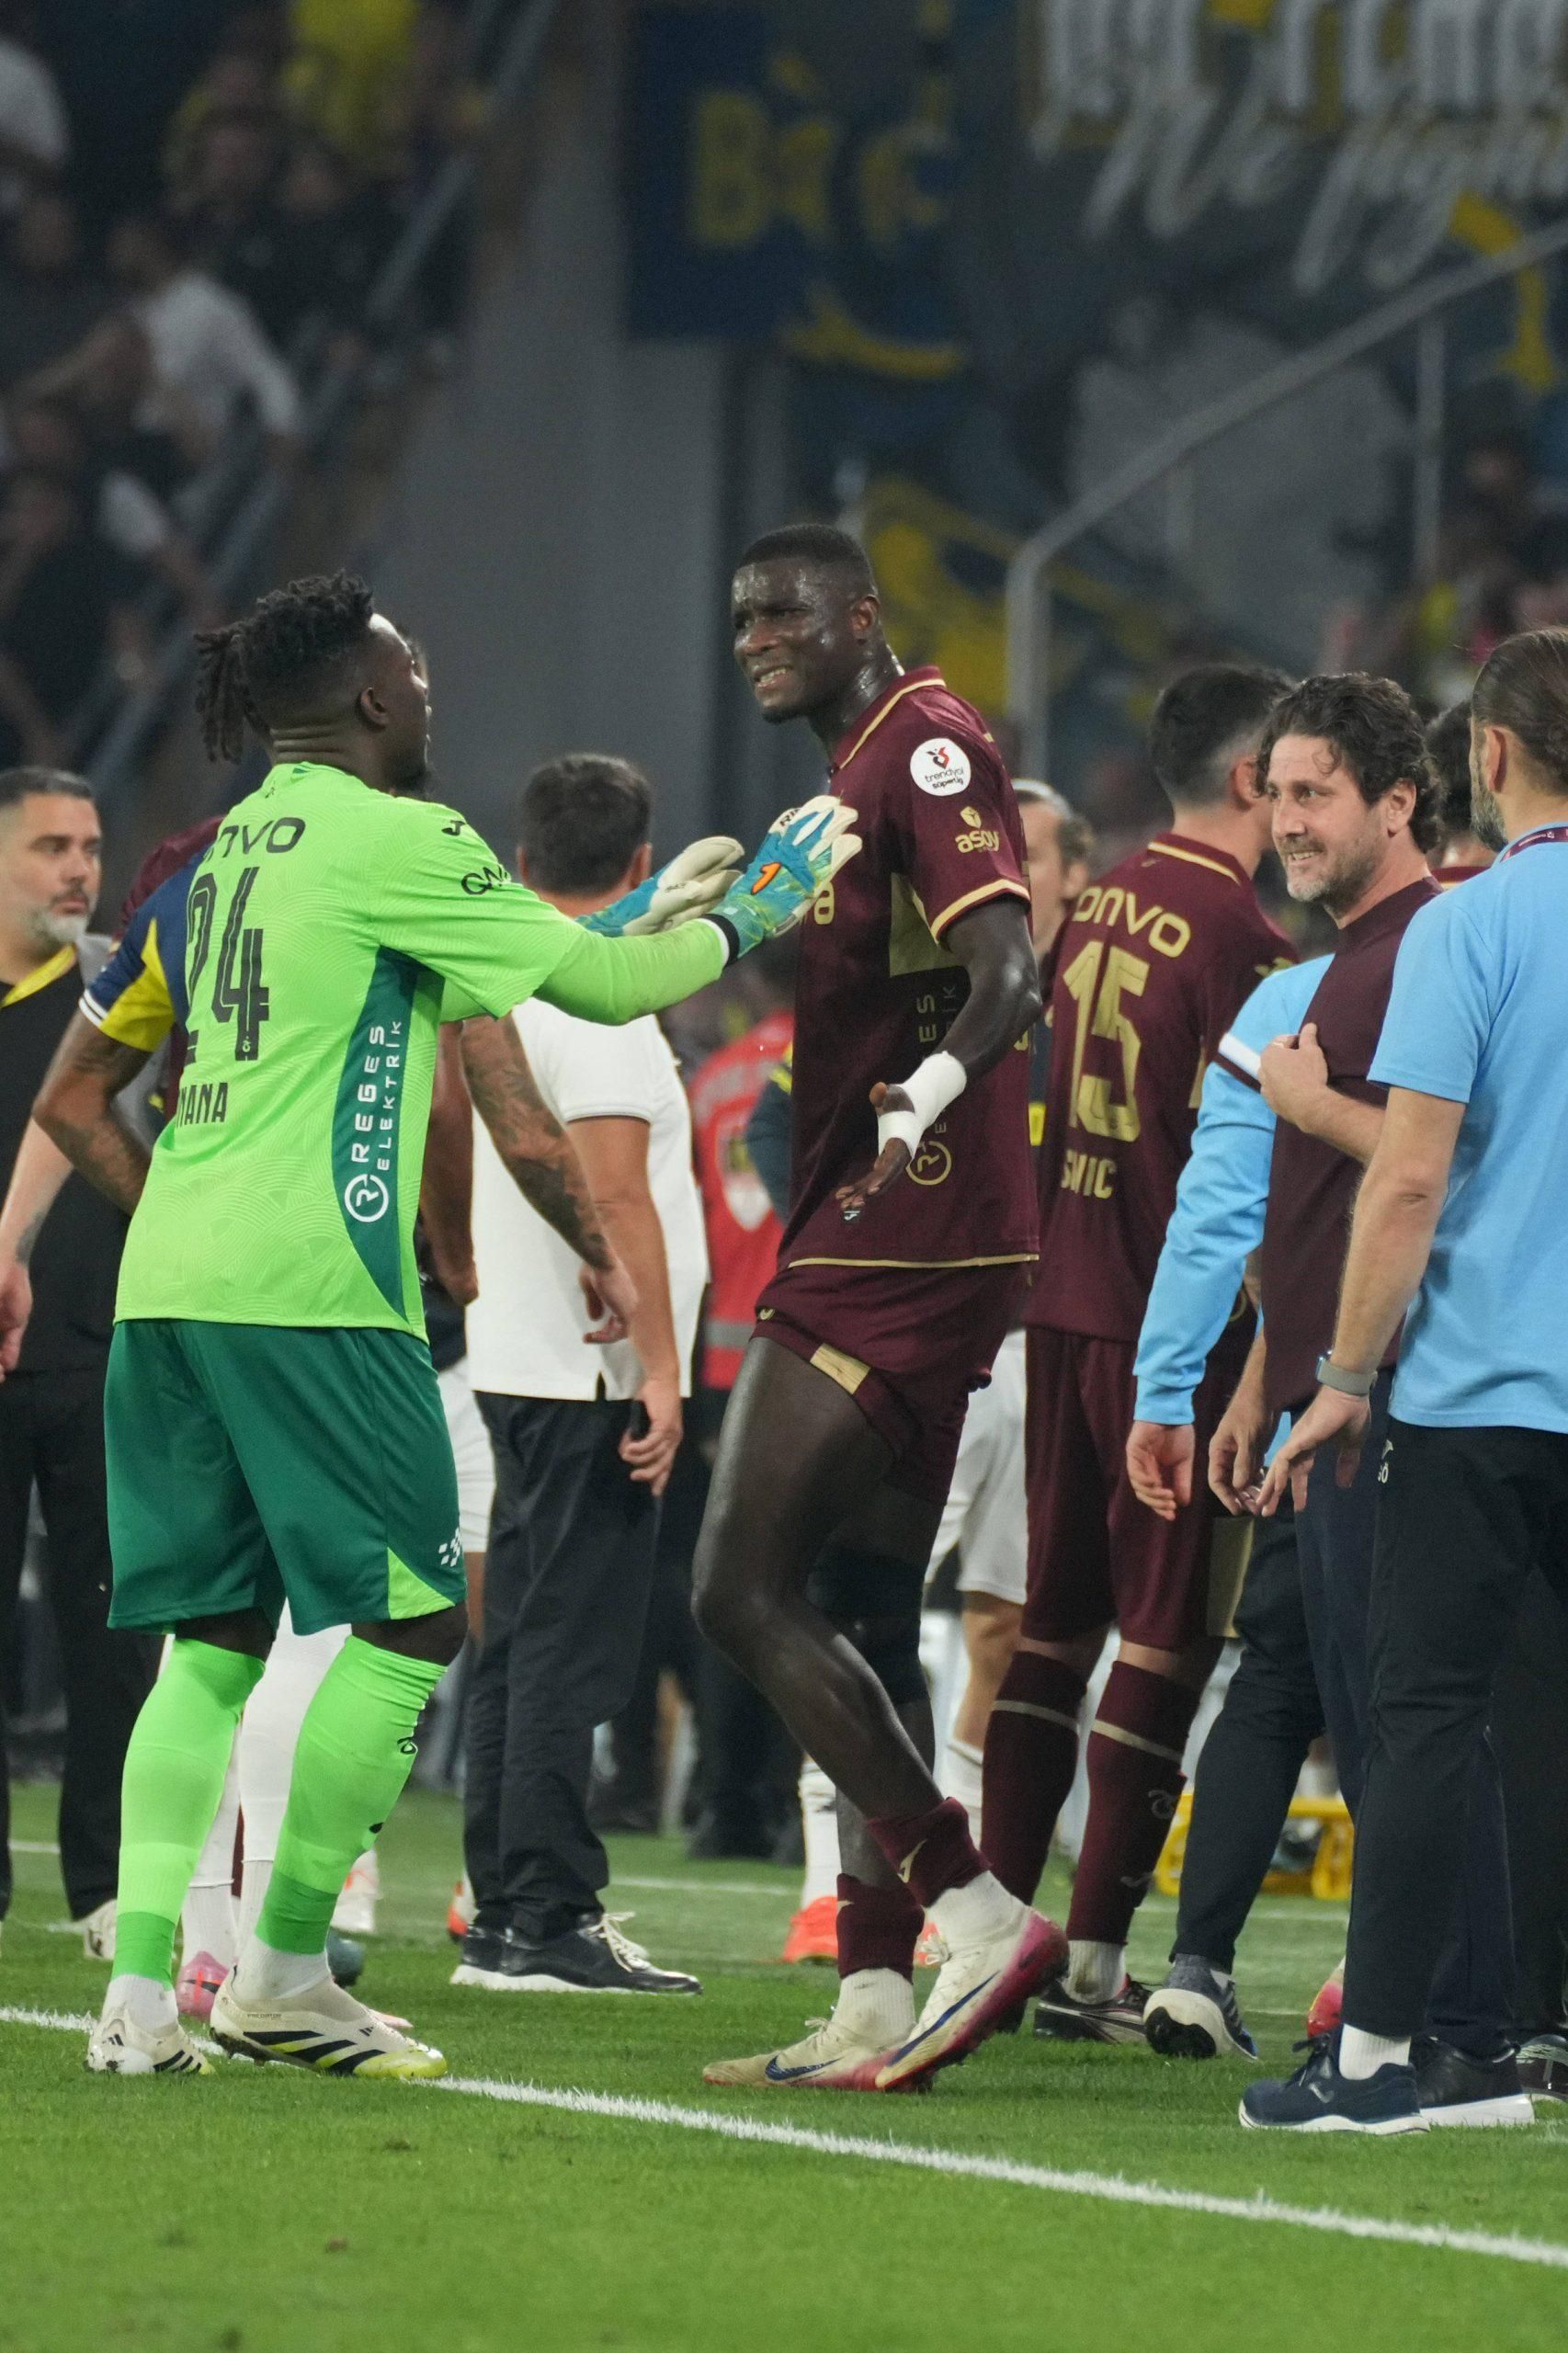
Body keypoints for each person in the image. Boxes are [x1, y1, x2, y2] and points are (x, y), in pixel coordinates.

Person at [0, 566, 853, 2082]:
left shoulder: (198, 863)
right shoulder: (401, 838)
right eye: (415, 676)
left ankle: (137, 2000)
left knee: (208, 1643)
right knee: (406, 1618)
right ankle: (277, 1977)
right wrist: (758, 917)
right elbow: (601, 989)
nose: (429, 696)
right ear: (370, 698)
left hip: (172, 1299)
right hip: (318, 1300)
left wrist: (187, 1207)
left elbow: (88, 1086)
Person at [695, 522, 1060, 2099]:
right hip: (904, 1217)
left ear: (859, 614)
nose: (752, 634)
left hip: (899, 1225)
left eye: (780, 611)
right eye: (738, 615)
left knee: (733, 1588)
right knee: (847, 1603)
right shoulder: (853, 768)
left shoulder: (920, 748)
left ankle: (973, 1909)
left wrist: (925, 1091)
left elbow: (1010, 970)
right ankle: (867, 1984)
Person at [1245, 631, 1568, 2131]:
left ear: (1484, 759)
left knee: (1425, 1716)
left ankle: (1393, 2061)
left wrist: (1343, 1372)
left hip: (1479, 1394)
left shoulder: (1471, 926)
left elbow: (1412, 1178)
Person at [980, 664, 1291, 2045]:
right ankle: (1098, 1963)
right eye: (1282, 777)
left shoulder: (1098, 897)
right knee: (1163, 1643)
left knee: (1050, 1628)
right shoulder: (1237, 932)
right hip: (1173, 1321)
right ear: (1246, 781)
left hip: (1058, 1299)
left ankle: (993, 1928)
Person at [449, 754, 708, 1996]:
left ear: (520, 859)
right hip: (584, 1374)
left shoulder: (504, 981)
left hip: (517, 1356)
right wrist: (662, 1368)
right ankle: (546, 1914)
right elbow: (611, 1192)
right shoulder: (603, 1008)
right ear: (642, 866)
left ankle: (504, 1909)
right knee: (563, 1646)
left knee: (519, 1644)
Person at [0, 766, 155, 1959]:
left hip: (103, 1356)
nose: (79, 870)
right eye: (52, 846)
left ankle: (104, 1887)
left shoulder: (131, 995)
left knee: (115, 1636)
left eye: (91, 846)